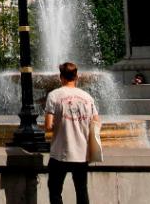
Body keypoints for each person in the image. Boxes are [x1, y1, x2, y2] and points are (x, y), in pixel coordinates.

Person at [44, 61, 98, 204]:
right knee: (81, 190)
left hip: (60, 153)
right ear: (77, 77)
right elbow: (97, 122)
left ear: (61, 77)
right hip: (82, 153)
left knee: (55, 191)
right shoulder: (88, 97)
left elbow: (48, 126)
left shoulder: (54, 95)